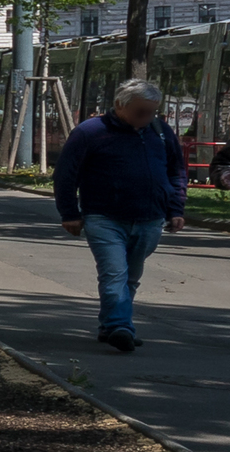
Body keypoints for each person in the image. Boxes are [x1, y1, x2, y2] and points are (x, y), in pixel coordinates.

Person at [55, 77, 190, 351]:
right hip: (104, 217)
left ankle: (110, 326)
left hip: (150, 217)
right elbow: (66, 175)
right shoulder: (90, 132)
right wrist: (70, 212)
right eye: (141, 111)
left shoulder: (160, 131)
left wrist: (176, 208)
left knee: (130, 276)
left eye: (152, 111)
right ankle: (121, 327)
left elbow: (176, 171)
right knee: (114, 272)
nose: (148, 117)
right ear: (120, 105)